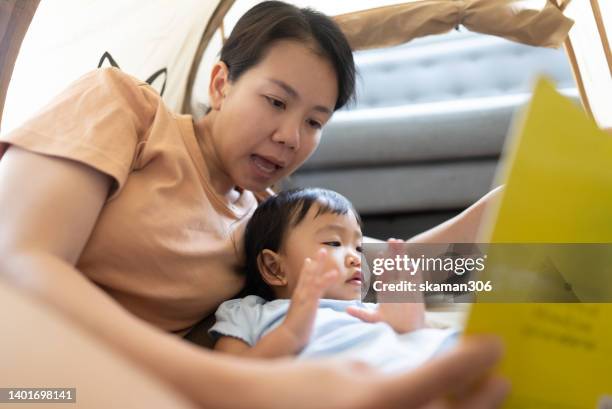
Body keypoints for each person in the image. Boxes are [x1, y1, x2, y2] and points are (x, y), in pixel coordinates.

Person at [0, 1, 508, 408]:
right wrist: (233, 386)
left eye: (314, 122)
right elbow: (19, 260)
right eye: (276, 102)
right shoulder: (125, 108)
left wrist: (505, 202)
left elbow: (386, 264)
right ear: (221, 84)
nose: (290, 137)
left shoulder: (264, 214)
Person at [211, 187, 459, 373]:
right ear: (274, 267)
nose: (355, 258)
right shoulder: (249, 312)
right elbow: (228, 380)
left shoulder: (373, 309)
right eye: (333, 243)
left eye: (359, 248)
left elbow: (430, 339)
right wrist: (290, 333)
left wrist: (412, 326)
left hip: (419, 370)